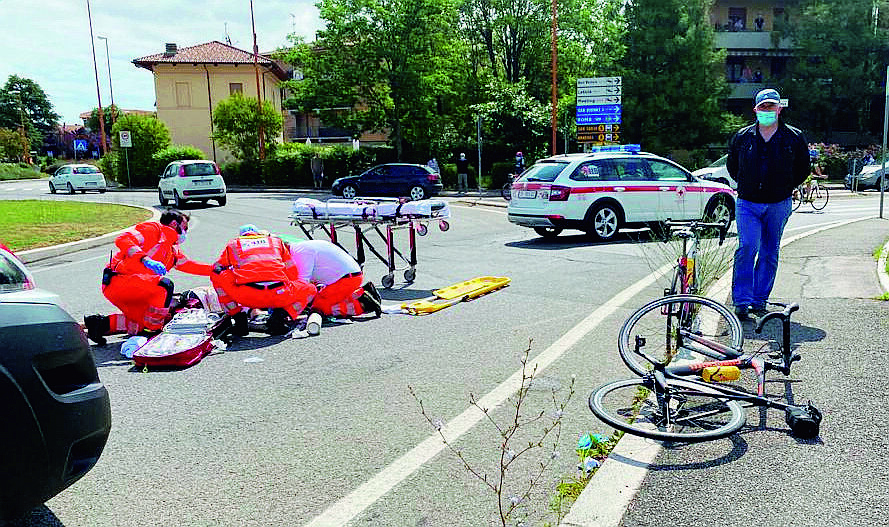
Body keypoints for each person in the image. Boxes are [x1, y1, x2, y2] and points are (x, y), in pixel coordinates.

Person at [727, 88, 810, 321]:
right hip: (748, 203)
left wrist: (784, 187)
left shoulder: (793, 137)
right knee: (747, 247)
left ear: (779, 108)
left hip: (778, 203)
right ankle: (742, 301)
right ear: (755, 109)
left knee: (770, 251)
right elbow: (734, 167)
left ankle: (759, 299)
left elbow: (802, 169)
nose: (767, 110)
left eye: (771, 106)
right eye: (762, 107)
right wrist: (748, 184)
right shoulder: (742, 137)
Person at [84, 209, 212, 345]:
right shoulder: (153, 230)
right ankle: (153, 331)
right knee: (165, 286)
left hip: (137, 288)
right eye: (185, 228)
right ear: (175, 224)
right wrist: (145, 259)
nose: (186, 232)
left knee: (148, 321)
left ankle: (99, 325)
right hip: (119, 281)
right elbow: (123, 239)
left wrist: (219, 269)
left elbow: (192, 266)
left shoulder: (171, 251)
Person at [211, 225, 317, 336]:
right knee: (310, 289)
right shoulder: (276, 242)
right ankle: (280, 316)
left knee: (216, 274)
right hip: (280, 295)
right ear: (259, 234)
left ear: (241, 236)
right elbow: (292, 272)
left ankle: (238, 318)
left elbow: (218, 267)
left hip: (247, 296)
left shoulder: (233, 244)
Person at [286, 239, 382, 319]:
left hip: (347, 279)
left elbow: (302, 285)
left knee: (319, 307)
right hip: (345, 277)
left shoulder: (300, 254)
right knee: (313, 300)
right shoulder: (299, 248)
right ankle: (357, 294)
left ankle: (364, 304)